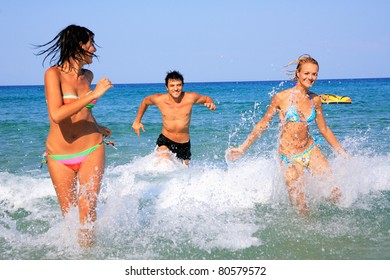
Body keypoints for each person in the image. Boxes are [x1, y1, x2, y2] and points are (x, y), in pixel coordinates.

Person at [227, 55, 347, 215]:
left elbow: (324, 129)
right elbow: (263, 124)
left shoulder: (315, 100)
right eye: (307, 73)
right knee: (300, 206)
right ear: (298, 73)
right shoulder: (281, 97)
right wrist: (242, 148)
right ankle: (307, 233)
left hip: (310, 150)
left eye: (314, 74)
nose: (311, 77)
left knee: (335, 193)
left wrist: (342, 153)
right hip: (288, 157)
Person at [36, 24, 113, 246]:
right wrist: (94, 94)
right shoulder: (53, 74)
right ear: (79, 46)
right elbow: (57, 114)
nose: (95, 50)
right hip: (59, 156)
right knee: (70, 217)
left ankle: (89, 256)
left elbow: (83, 112)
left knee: (87, 209)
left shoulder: (88, 75)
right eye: (91, 44)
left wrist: (98, 128)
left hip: (91, 148)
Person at [132, 70, 216, 165]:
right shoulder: (160, 99)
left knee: (183, 173)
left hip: (184, 144)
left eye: (179, 85)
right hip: (165, 140)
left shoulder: (190, 97)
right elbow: (145, 101)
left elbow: (206, 98)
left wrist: (210, 103)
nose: (176, 88)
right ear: (166, 87)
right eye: (172, 85)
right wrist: (137, 121)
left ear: (182, 85)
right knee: (164, 162)